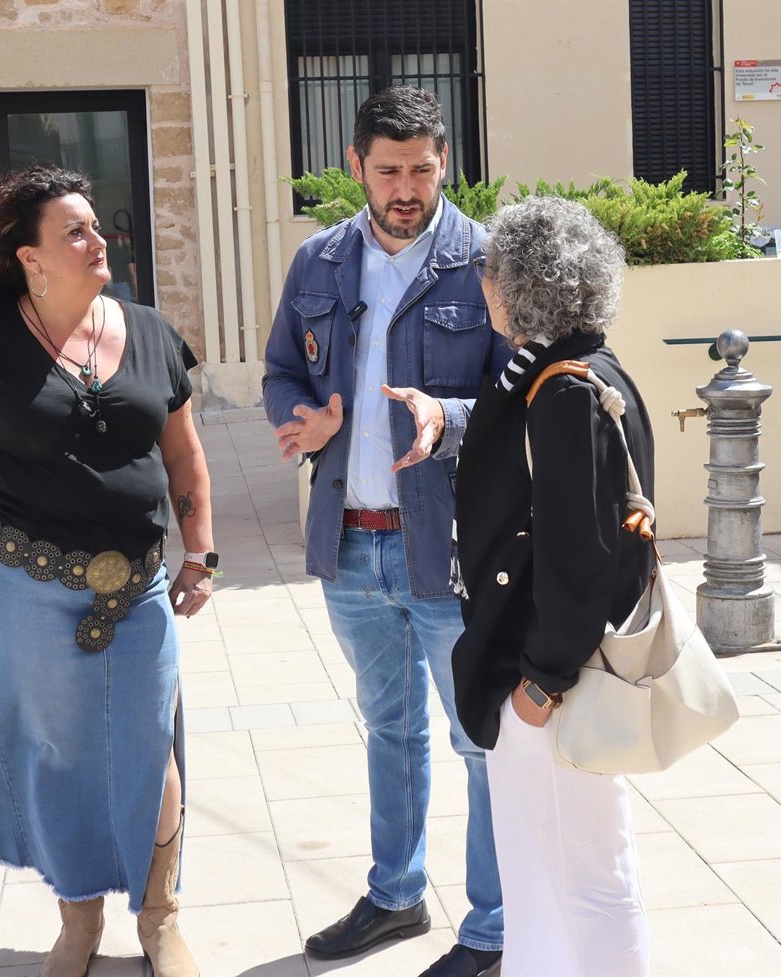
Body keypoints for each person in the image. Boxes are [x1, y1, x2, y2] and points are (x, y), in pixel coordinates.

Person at [0, 164, 215, 977]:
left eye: (96, 225)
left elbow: (185, 457)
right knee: (59, 753)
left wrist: (201, 553)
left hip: (138, 586)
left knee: (150, 749)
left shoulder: (151, 332)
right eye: (74, 231)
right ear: (31, 258)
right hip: (26, 585)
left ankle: (159, 916)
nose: (96, 239)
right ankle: (78, 919)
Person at [263, 87, 510, 977]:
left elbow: (524, 394)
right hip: (351, 545)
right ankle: (396, 894)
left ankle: (494, 927)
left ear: (445, 164)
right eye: (388, 170)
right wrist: (301, 420)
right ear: (358, 167)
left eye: (421, 169)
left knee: (480, 741)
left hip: (449, 550)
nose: (406, 188)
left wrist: (448, 415)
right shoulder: (319, 261)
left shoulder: (486, 261)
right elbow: (281, 368)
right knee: (390, 728)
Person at [453, 196, 655, 976]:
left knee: (588, 879)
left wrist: (539, 683)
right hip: (547, 674)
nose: (482, 281)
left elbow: (582, 556)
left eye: (490, 268)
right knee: (543, 875)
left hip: (551, 681)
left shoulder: (565, 388)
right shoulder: (583, 369)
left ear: (520, 284)